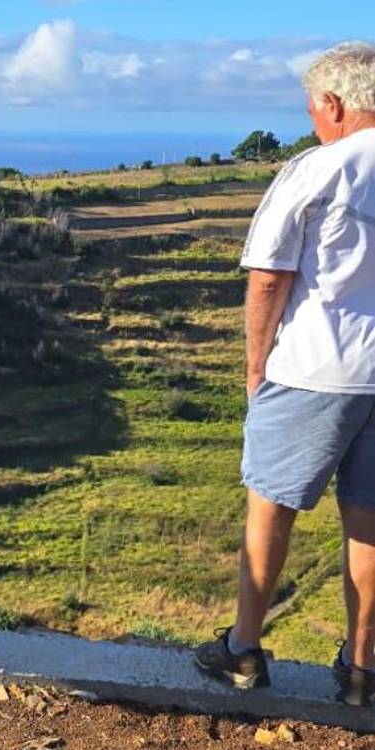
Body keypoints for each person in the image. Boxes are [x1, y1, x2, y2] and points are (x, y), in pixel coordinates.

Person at [194, 41, 375, 707]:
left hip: (313, 367)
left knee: (269, 507)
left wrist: (253, 368)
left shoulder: (315, 170)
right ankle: (361, 668)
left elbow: (269, 276)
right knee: (369, 520)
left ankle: (242, 650)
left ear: (331, 104)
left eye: (310, 109)